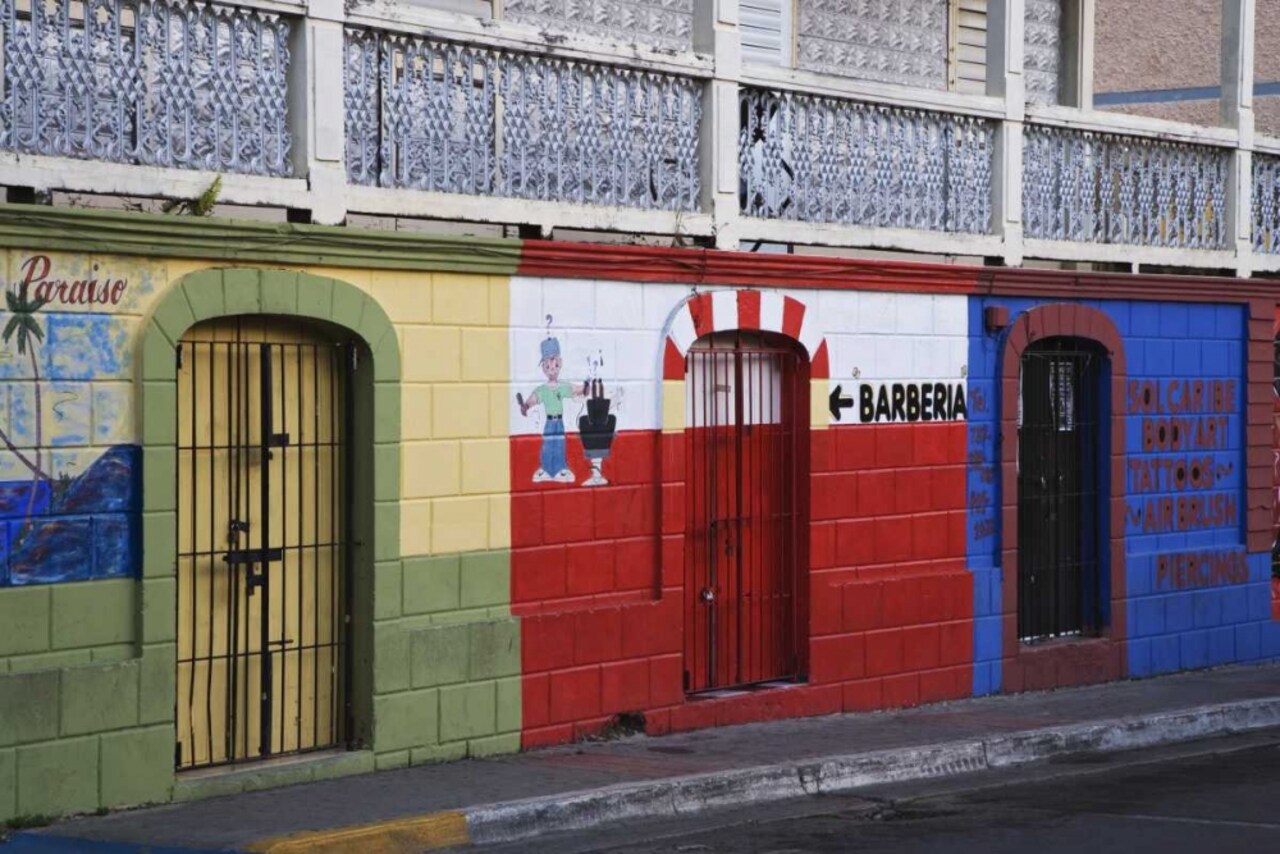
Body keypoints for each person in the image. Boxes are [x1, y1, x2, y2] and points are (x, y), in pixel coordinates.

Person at [519, 336, 580, 483]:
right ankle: (546, 469)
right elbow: (534, 398)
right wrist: (526, 405)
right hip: (549, 421)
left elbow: (573, 390)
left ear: (559, 365)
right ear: (544, 368)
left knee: (559, 443)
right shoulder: (543, 389)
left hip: (559, 421)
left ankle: (560, 469)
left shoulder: (562, 386)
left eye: (555, 366)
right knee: (548, 444)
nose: (552, 370)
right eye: (548, 367)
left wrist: (585, 388)